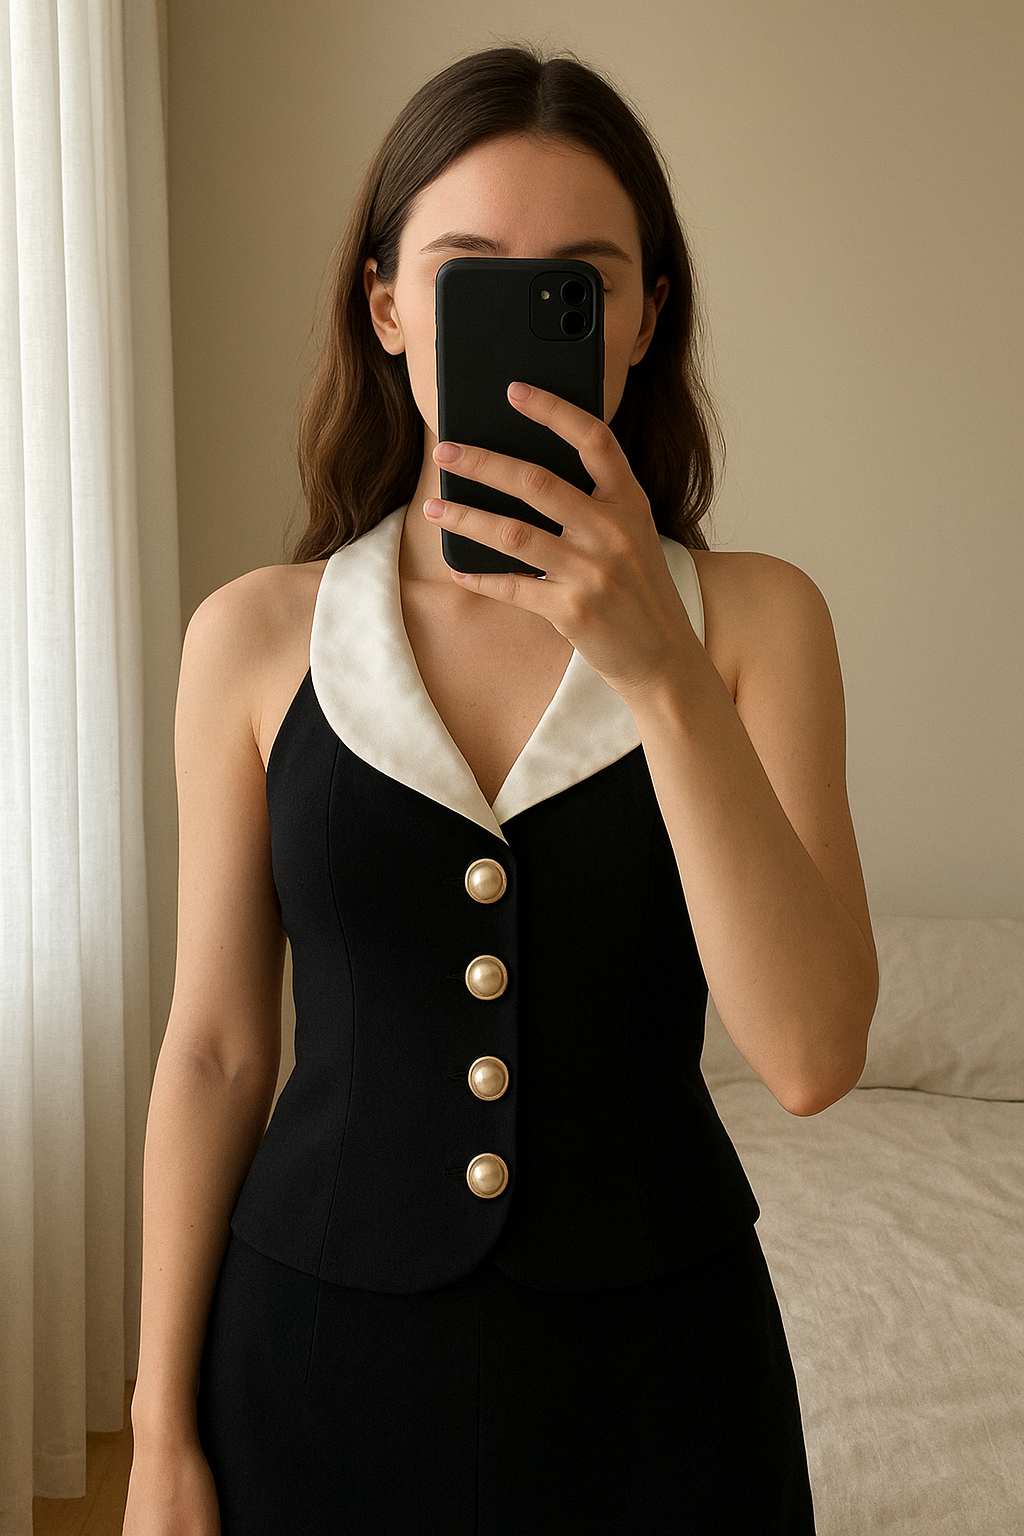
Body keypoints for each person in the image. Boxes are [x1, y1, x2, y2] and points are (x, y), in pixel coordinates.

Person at [123, 44, 877, 1536]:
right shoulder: (253, 639)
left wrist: (659, 667)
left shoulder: (758, 622)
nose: (527, 320)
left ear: (645, 317)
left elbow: (810, 1055)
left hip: (663, 1385)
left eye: (577, 284)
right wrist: (157, 1435)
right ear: (388, 306)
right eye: (470, 274)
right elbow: (213, 1050)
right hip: (311, 1365)